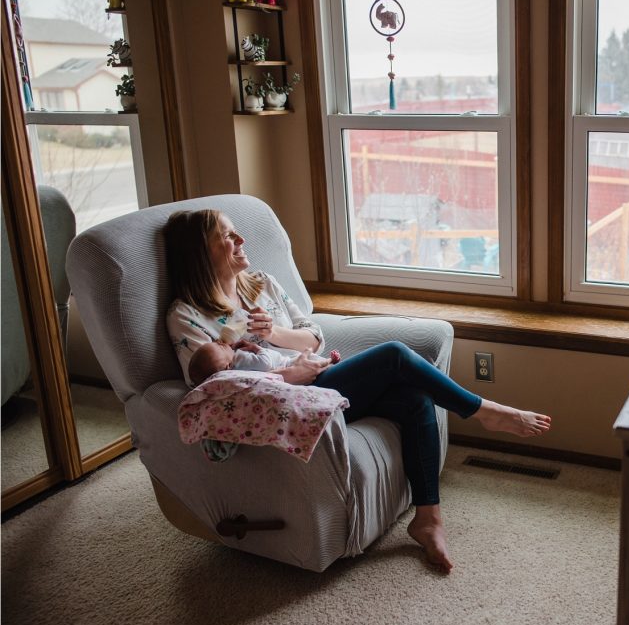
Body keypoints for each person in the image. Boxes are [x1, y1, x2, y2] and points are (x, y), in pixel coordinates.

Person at [164, 209, 552, 574]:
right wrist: (288, 376)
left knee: (414, 399)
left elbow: (313, 334)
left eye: (236, 231)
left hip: (321, 382)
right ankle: (483, 410)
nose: (240, 238)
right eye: (226, 236)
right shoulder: (186, 315)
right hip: (286, 404)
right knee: (395, 356)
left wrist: (274, 334)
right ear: (200, 252)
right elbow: (210, 388)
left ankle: (428, 519)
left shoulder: (262, 284)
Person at [187, 338, 340, 386]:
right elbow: (266, 363)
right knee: (314, 361)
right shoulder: (239, 360)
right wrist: (257, 348)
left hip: (289, 364)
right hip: (287, 365)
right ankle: (330, 361)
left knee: (314, 361)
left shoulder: (235, 363)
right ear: (227, 367)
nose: (221, 341)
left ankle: (330, 363)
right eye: (220, 346)